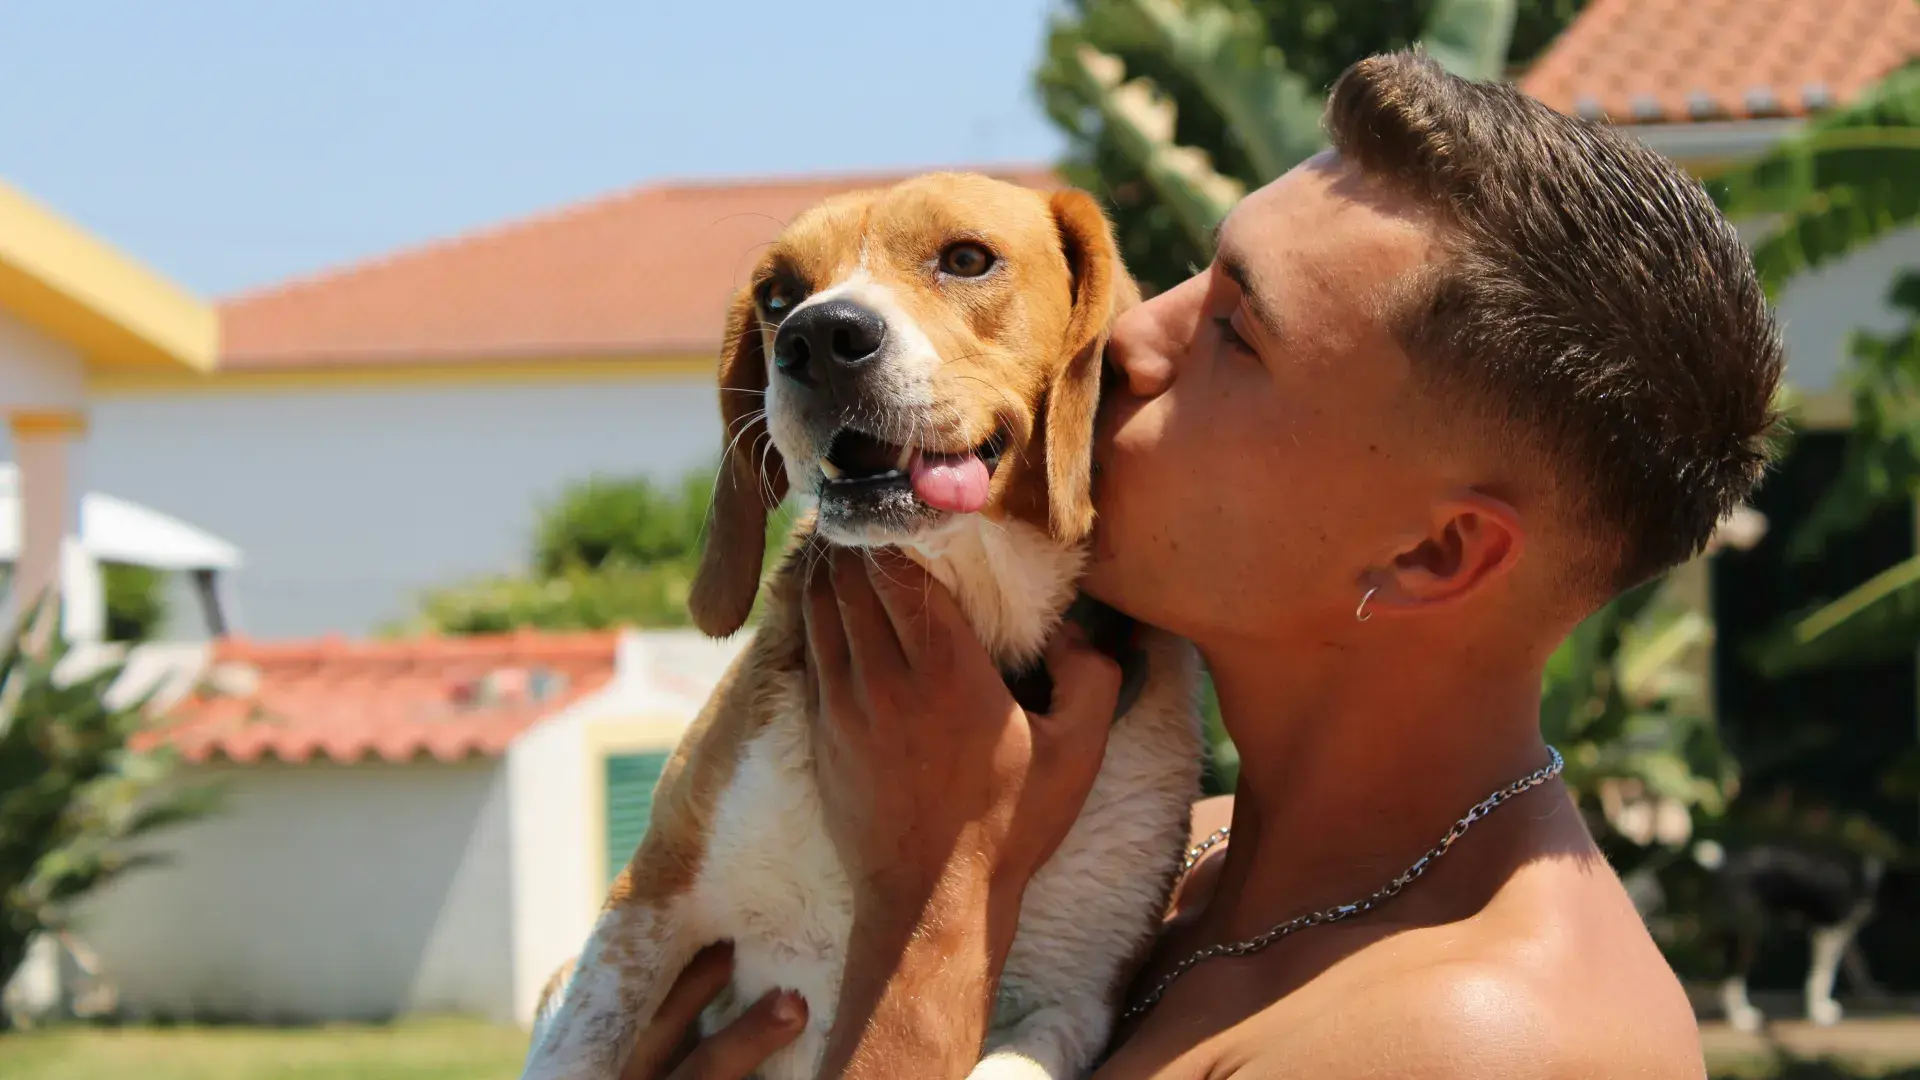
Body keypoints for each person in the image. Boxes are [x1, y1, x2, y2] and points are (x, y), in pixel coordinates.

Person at [628, 50, 1783, 1079]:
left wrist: (930, 912)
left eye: (1235, 331)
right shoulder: (1170, 857)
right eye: (1199, 269)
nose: (1122, 337)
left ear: (1433, 551)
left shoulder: (1481, 1040)